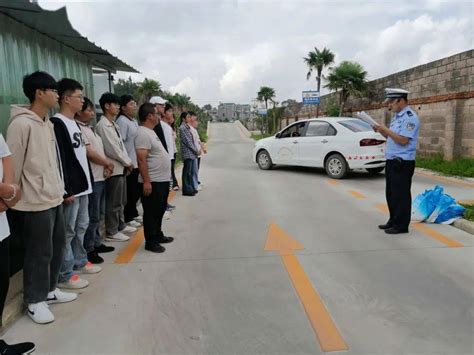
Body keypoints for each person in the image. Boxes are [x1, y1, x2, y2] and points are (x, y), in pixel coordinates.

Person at [6, 71, 76, 324]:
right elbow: (12, 167)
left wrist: (61, 190)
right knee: (39, 252)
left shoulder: (46, 123)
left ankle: (49, 290)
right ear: (39, 93)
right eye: (54, 91)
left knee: (57, 246)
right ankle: (34, 301)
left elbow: (53, 163)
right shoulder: (21, 124)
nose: (57, 95)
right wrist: (12, 199)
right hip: (33, 202)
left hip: (53, 196)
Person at [51, 78, 101, 290]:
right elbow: (60, 159)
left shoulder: (74, 123)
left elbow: (82, 156)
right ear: (66, 98)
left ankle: (80, 261)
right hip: (72, 188)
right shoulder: (57, 123)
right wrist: (66, 190)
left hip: (84, 185)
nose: (82, 101)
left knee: (81, 226)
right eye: (79, 97)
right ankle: (65, 272)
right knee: (68, 230)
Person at [0, 133, 36, 354]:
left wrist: (9, 192)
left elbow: (7, 159)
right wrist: (6, 192)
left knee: (1, 282)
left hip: (1, 227)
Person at [374, 88, 420, 235]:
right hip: (392, 161)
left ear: (400, 100)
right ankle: (393, 220)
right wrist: (381, 131)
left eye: (391, 102)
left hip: (402, 163)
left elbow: (404, 140)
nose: (389, 105)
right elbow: (393, 138)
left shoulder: (410, 117)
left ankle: (401, 225)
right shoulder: (398, 117)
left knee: (401, 195)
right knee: (391, 194)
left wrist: (386, 130)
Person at [76, 98, 115, 264]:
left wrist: (107, 166)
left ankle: (96, 242)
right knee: (91, 216)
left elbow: (99, 150)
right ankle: (89, 248)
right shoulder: (77, 128)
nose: (92, 114)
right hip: (92, 177)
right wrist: (107, 163)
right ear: (79, 111)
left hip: (101, 175)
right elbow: (89, 152)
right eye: (89, 110)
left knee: (98, 214)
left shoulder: (89, 128)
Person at [95, 93, 135, 242]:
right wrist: (127, 162)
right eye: (115, 104)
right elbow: (112, 148)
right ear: (106, 106)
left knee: (121, 200)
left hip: (121, 167)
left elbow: (121, 147)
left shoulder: (114, 124)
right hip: (113, 168)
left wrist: (127, 162)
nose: (118, 107)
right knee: (113, 202)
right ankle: (112, 230)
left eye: (118, 105)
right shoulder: (102, 125)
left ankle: (120, 225)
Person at [135, 103, 174, 253]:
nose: (159, 116)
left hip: (161, 180)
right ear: (150, 116)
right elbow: (141, 159)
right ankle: (150, 241)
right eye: (157, 114)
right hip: (153, 181)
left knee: (159, 209)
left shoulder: (151, 132)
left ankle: (158, 234)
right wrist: (146, 181)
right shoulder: (142, 133)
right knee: (151, 212)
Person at [116, 95, 141, 228]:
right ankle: (128, 216)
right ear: (123, 107)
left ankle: (134, 213)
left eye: (135, 103)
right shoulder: (122, 121)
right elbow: (121, 144)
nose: (134, 106)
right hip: (129, 163)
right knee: (130, 191)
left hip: (136, 161)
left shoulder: (133, 121)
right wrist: (126, 162)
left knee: (136, 190)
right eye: (131, 104)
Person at [161, 103, 177, 213]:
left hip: (170, 157)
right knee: (164, 183)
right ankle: (163, 205)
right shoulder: (161, 126)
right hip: (165, 158)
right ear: (164, 113)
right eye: (169, 111)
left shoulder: (167, 126)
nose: (171, 114)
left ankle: (165, 203)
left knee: (168, 183)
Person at [179, 112, 199, 196]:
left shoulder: (187, 127)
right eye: (187, 117)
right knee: (187, 172)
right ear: (183, 119)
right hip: (187, 153)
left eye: (189, 117)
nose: (189, 118)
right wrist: (195, 150)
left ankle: (190, 188)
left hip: (191, 153)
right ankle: (186, 190)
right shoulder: (183, 128)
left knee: (190, 172)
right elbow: (188, 142)